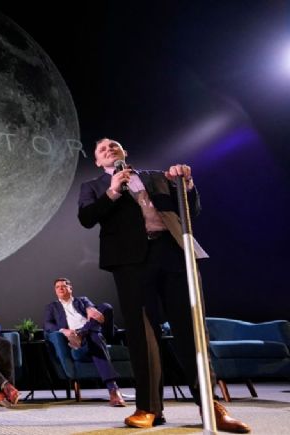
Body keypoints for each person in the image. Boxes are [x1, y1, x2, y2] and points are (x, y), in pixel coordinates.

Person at [78, 138, 249, 432]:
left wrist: (187, 184)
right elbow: (87, 218)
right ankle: (148, 408)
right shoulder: (93, 186)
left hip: (173, 254)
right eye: (102, 150)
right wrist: (113, 191)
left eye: (114, 146)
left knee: (191, 330)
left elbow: (190, 211)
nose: (109, 150)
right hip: (129, 262)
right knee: (142, 335)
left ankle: (210, 406)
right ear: (97, 161)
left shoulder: (157, 177)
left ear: (125, 151)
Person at [43, 277, 126, 406]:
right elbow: (47, 324)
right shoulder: (52, 307)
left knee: (106, 306)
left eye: (63, 286)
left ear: (70, 288)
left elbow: (94, 311)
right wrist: (63, 330)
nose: (60, 288)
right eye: (57, 287)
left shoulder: (82, 300)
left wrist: (90, 308)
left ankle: (83, 333)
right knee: (95, 337)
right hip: (82, 337)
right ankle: (113, 389)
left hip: (97, 331)